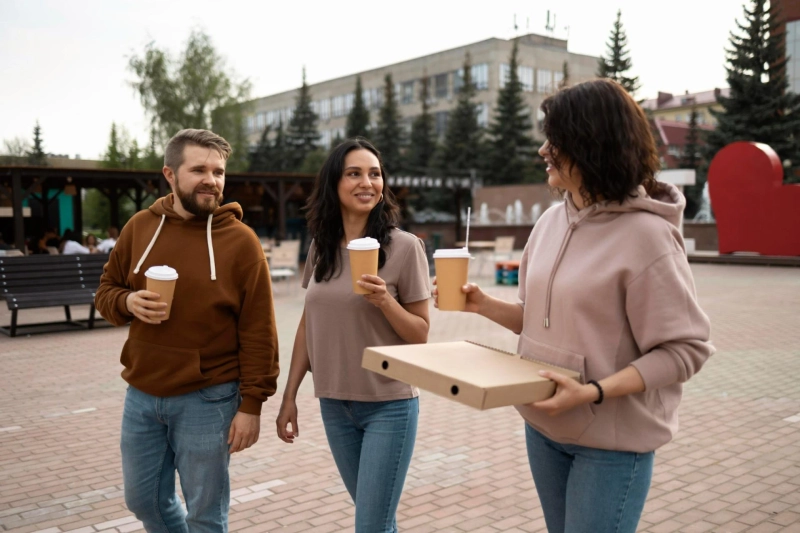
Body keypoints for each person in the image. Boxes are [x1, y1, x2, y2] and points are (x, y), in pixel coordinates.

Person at [433, 79, 715, 533]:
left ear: (591, 145)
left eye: (556, 140)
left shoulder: (650, 238)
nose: (544, 150)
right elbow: (544, 321)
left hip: (610, 443)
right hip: (543, 428)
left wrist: (594, 391)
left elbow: (685, 351)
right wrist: (482, 304)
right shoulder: (548, 222)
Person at [95, 129, 280, 533]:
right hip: (142, 393)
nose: (211, 180)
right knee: (143, 499)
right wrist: (128, 302)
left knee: (205, 514)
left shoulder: (241, 242)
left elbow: (259, 329)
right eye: (198, 169)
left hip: (209, 397)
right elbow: (106, 292)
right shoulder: (140, 227)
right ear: (170, 174)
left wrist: (252, 405)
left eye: (218, 171)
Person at [276, 138, 431, 533]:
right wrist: (289, 395)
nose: (368, 182)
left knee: (371, 526)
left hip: (389, 404)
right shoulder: (321, 247)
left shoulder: (404, 247)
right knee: (377, 521)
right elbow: (309, 323)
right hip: (334, 404)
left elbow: (420, 334)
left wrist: (384, 301)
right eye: (354, 173)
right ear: (334, 183)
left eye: (375, 173)